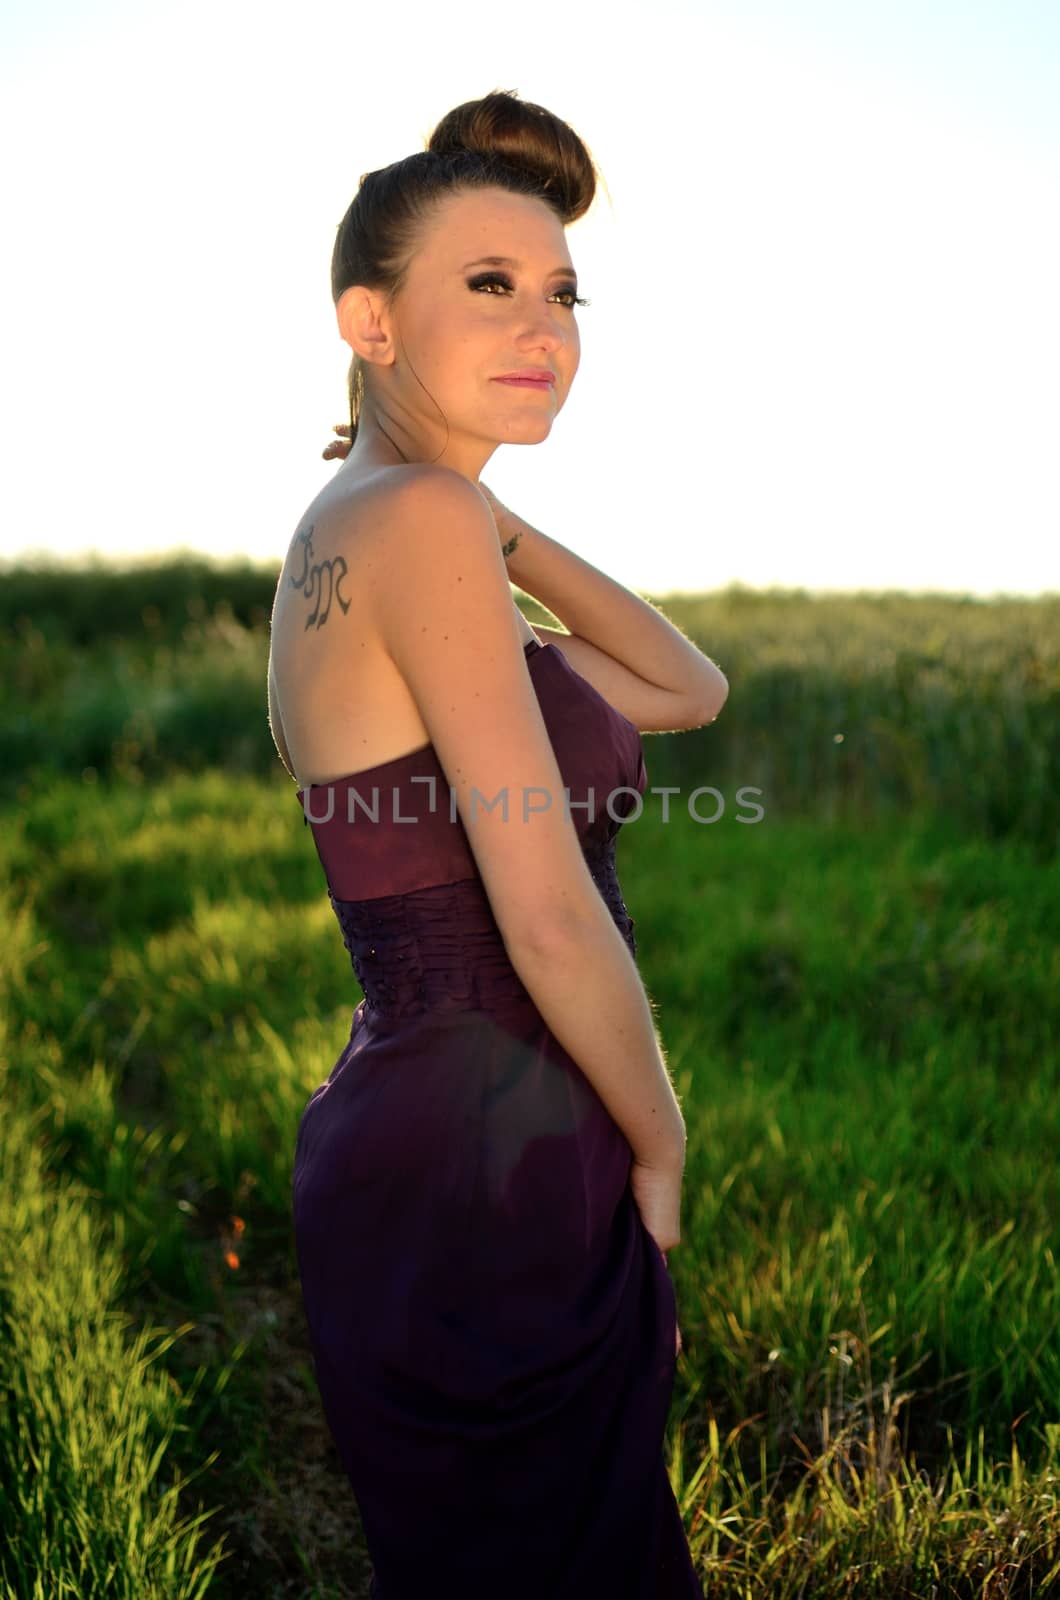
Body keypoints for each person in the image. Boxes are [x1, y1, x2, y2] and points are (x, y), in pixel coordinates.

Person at [267, 88, 727, 1599]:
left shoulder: (382, 521)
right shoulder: (418, 526)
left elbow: (683, 686)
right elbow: (544, 914)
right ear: (372, 320)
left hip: (432, 1128)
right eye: (488, 284)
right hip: (489, 1159)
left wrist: (490, 513)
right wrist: (661, 1145)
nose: (545, 326)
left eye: (562, 292)